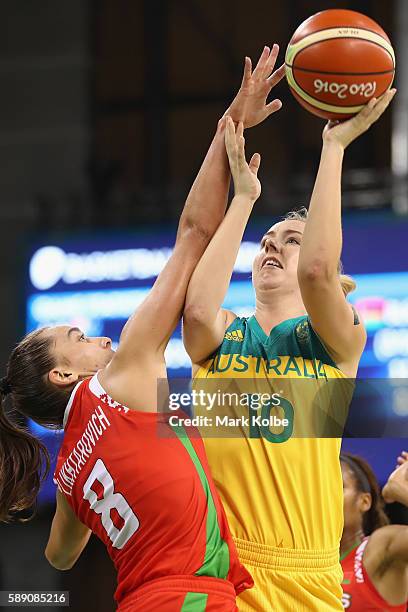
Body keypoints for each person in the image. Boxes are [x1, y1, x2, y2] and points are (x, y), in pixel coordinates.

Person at [0, 47, 284, 611]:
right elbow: (194, 233)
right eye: (78, 340)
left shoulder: (72, 476)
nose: (99, 340)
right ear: (62, 374)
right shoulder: (123, 374)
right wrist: (233, 123)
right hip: (189, 599)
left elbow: (59, 557)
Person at [183, 89, 396, 611]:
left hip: (304, 575)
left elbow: (319, 270)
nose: (272, 245)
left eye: (292, 238)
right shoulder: (225, 329)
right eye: (268, 241)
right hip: (217, 567)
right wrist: (243, 201)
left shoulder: (336, 340)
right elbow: (193, 316)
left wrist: (335, 147)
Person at [341, 451, 408, 610]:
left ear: (364, 502)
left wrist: (398, 488)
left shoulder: (381, 547)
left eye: (337, 486)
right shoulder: (297, 561)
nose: (324, 495)